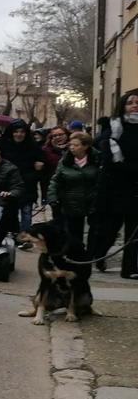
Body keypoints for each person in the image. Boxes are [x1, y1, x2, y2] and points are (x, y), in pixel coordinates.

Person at [92, 89, 138, 277]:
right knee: (110, 228)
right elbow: (110, 160)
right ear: (123, 106)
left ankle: (130, 268)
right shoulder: (112, 130)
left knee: (134, 231)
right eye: (131, 102)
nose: (135, 105)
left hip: (136, 188)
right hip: (115, 187)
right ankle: (98, 256)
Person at [47, 131, 99, 248]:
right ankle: (76, 256)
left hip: (93, 202)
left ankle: (92, 255)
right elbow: (55, 181)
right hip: (71, 202)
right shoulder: (65, 161)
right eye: (70, 145)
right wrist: (52, 197)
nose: (72, 148)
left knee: (96, 232)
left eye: (76, 145)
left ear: (85, 146)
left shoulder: (96, 159)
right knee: (74, 234)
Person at [0, 119, 45, 245]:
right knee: (9, 212)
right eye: (16, 132)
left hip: (27, 183)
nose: (19, 134)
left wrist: (37, 169)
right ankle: (10, 235)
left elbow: (41, 161)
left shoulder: (32, 146)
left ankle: (24, 237)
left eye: (22, 132)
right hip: (8, 183)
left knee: (26, 211)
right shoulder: (3, 145)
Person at [39, 125, 69, 206]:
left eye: (61, 134)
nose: (58, 137)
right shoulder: (45, 150)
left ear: (67, 134)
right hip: (54, 188)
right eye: (55, 135)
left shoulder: (73, 147)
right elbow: (43, 174)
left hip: (72, 188)